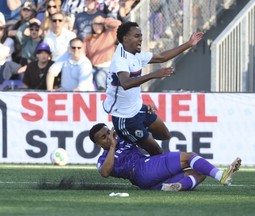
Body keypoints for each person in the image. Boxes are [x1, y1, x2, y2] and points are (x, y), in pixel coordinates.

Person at [102, 21, 204, 155]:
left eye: (141, 36)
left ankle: (131, 138)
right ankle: (127, 137)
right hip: (124, 117)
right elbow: (126, 83)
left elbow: (162, 57)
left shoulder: (135, 54)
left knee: (165, 135)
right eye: (137, 36)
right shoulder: (120, 59)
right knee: (157, 152)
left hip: (138, 108)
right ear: (125, 38)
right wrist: (153, 75)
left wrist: (189, 44)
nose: (141, 39)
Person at [89, 123, 242, 191]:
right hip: (141, 169)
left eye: (108, 133)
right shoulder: (102, 159)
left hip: (145, 180)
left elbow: (139, 130)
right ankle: (222, 175)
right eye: (103, 137)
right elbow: (105, 173)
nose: (108, 137)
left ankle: (178, 186)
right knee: (189, 157)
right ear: (98, 144)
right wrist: (113, 145)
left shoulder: (123, 138)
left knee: (200, 172)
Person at [84, 15, 121, 90]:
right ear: (92, 25)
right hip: (93, 67)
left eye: (100, 24)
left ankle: (102, 94)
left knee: (99, 77)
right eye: (95, 24)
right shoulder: (88, 39)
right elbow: (84, 54)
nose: (98, 26)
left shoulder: (110, 33)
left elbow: (118, 24)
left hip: (108, 67)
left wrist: (104, 20)